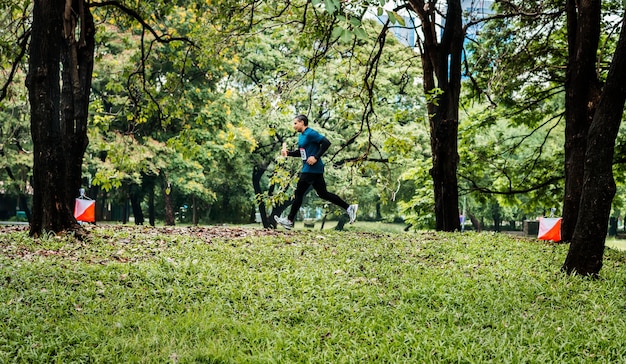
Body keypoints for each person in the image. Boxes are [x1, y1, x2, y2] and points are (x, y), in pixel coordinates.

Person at [274, 114, 358, 230]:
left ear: (302, 122)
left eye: (295, 123)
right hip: (312, 169)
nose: (294, 126)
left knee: (299, 193)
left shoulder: (310, 133)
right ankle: (349, 208)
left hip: (311, 169)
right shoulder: (302, 136)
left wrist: (316, 157)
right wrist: (288, 153)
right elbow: (302, 152)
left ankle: (289, 220)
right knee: (323, 194)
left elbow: (326, 143)